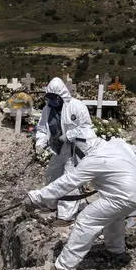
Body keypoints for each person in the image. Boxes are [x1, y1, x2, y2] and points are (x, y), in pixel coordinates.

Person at [24, 105, 136, 270]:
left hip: (126, 194)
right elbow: (135, 154)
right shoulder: (116, 143)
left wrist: (36, 197)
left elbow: (67, 183)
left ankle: (64, 267)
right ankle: (116, 250)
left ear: (80, 147)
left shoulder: (92, 160)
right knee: (115, 216)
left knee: (87, 219)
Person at [34, 77, 88, 226]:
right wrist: (40, 142)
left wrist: (70, 135)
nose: (52, 101)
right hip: (58, 149)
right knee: (52, 175)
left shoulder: (77, 107)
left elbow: (86, 128)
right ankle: (51, 204)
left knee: (70, 181)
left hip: (74, 149)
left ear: (61, 96)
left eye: (54, 98)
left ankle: (66, 216)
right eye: (49, 98)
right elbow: (43, 128)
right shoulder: (47, 110)